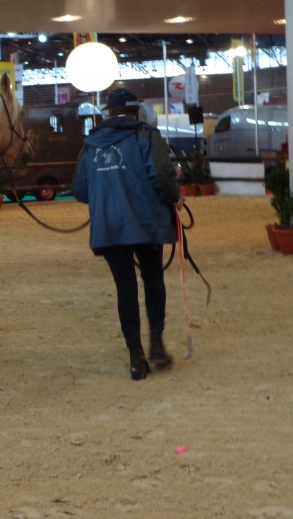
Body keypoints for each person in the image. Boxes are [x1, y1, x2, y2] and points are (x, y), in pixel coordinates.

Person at [73, 87, 183, 381]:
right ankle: (157, 344)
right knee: (153, 278)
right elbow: (162, 174)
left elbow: (80, 190)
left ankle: (136, 357)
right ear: (136, 110)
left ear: (109, 112)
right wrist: (173, 197)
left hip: (109, 226)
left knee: (126, 288)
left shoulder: (91, 144)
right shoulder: (148, 136)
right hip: (146, 223)